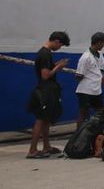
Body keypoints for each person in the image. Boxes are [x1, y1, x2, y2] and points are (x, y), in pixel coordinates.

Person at [26, 31, 70, 159]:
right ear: (56, 41)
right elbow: (45, 75)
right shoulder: (45, 54)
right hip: (46, 90)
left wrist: (55, 65)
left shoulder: (45, 53)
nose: (59, 48)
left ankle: (46, 146)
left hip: (47, 89)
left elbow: (46, 70)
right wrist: (58, 67)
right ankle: (32, 150)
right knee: (40, 119)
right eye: (60, 45)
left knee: (46, 119)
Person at [75, 32, 104, 129]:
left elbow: (100, 70)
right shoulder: (86, 57)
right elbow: (79, 75)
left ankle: (97, 131)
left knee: (101, 112)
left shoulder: (99, 55)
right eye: (103, 43)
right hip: (86, 90)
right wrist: (90, 78)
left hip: (96, 90)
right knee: (83, 113)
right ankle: (78, 135)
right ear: (99, 43)